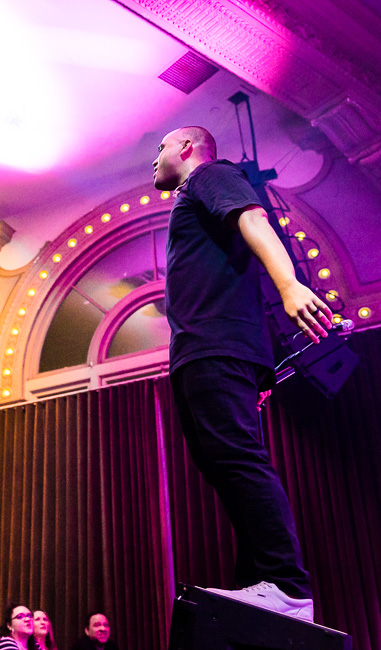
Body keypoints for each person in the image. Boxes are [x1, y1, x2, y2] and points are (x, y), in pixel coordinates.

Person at [152, 126, 332, 621]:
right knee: (223, 465)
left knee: (237, 459)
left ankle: (287, 587)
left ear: (186, 147)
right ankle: (263, 585)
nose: (155, 159)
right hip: (205, 352)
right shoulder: (195, 195)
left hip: (216, 346)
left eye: (161, 148)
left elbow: (253, 218)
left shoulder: (210, 175)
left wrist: (290, 285)